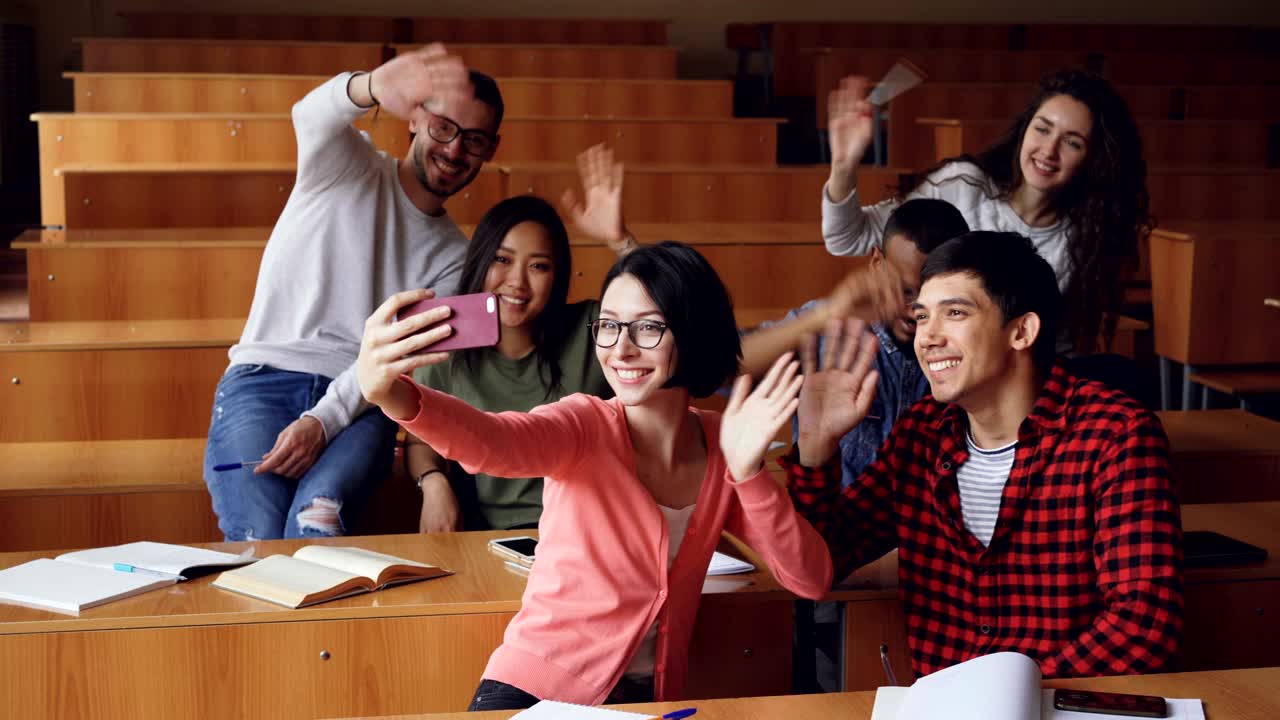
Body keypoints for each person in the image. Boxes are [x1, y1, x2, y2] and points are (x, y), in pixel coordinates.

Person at [356, 242, 833, 709]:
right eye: (608, 325)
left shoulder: (726, 446)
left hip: (647, 704)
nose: (620, 349)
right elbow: (491, 441)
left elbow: (810, 578)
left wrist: (749, 473)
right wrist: (392, 395)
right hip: (532, 693)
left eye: (647, 327)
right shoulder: (583, 423)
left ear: (694, 332)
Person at [787, 231, 1182, 679]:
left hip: (1064, 706)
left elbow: (1143, 625)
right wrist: (816, 452)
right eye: (921, 317)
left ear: (1021, 331)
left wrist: (1012, 696)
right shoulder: (922, 435)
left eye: (954, 313)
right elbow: (818, 564)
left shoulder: (1116, 435)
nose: (927, 337)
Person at [204, 45, 504, 540]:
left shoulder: (457, 258)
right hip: (262, 377)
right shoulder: (346, 163)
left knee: (314, 527)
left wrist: (321, 422)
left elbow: (395, 361)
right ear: (416, 119)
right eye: (444, 128)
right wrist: (368, 87)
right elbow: (310, 114)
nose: (454, 150)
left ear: (490, 150)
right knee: (257, 541)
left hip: (360, 405)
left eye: (473, 140)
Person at [822, 69, 1152, 353]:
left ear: (1092, 160)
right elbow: (846, 238)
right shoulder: (964, 186)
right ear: (1025, 129)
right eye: (1042, 128)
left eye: (1073, 142)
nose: (1049, 149)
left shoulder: (1084, 242)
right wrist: (843, 164)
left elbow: (1055, 347)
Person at [408, 145, 635, 532]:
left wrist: (621, 242)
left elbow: (666, 320)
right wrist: (433, 483)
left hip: (586, 530)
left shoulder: (592, 328)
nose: (517, 281)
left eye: (539, 266)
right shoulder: (446, 343)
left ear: (558, 276)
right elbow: (419, 441)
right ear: (479, 261)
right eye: (502, 259)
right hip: (490, 537)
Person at [743, 197, 969, 486]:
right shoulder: (828, 327)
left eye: (933, 296)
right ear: (876, 263)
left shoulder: (973, 349)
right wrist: (822, 317)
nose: (914, 311)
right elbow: (721, 369)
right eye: (905, 290)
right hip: (827, 522)